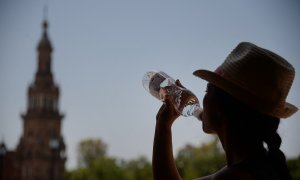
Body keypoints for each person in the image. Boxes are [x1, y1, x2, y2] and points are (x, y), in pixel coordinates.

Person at [152, 42, 298, 180]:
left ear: (220, 107)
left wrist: (162, 125)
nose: (202, 98)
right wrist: (198, 113)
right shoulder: (260, 166)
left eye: (207, 89)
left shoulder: (233, 177)